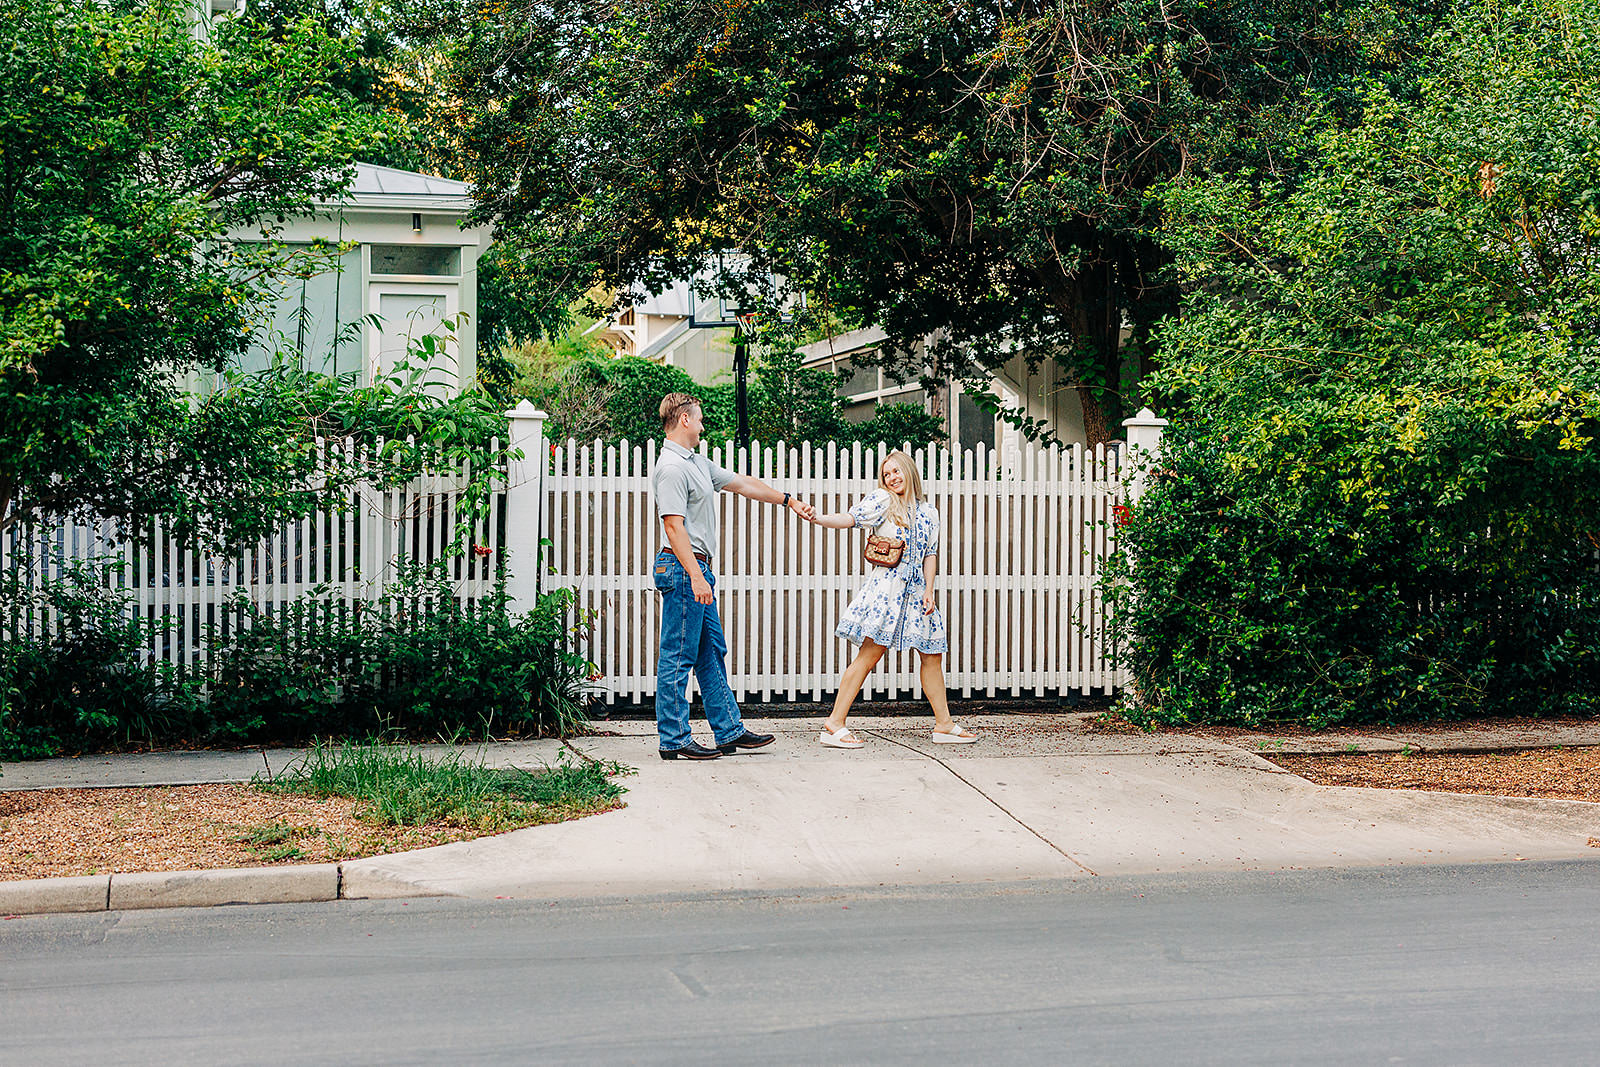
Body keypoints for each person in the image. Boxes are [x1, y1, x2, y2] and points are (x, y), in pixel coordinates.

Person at [652, 392, 816, 760]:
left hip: (696, 568)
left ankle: (728, 731)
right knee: (677, 656)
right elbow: (674, 527)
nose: (703, 424)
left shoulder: (695, 462)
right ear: (684, 420)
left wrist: (789, 501)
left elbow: (743, 484)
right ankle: (673, 739)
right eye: (700, 418)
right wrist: (695, 575)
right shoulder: (672, 468)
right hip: (683, 568)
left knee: (710, 652)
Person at [806, 450, 975, 748]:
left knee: (932, 655)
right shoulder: (883, 501)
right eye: (887, 474)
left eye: (896, 471)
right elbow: (851, 518)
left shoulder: (929, 512)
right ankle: (833, 724)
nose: (892, 478)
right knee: (869, 655)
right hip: (888, 592)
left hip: (918, 594)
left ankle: (944, 724)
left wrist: (929, 590)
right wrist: (818, 517)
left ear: (909, 471)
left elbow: (930, 554)